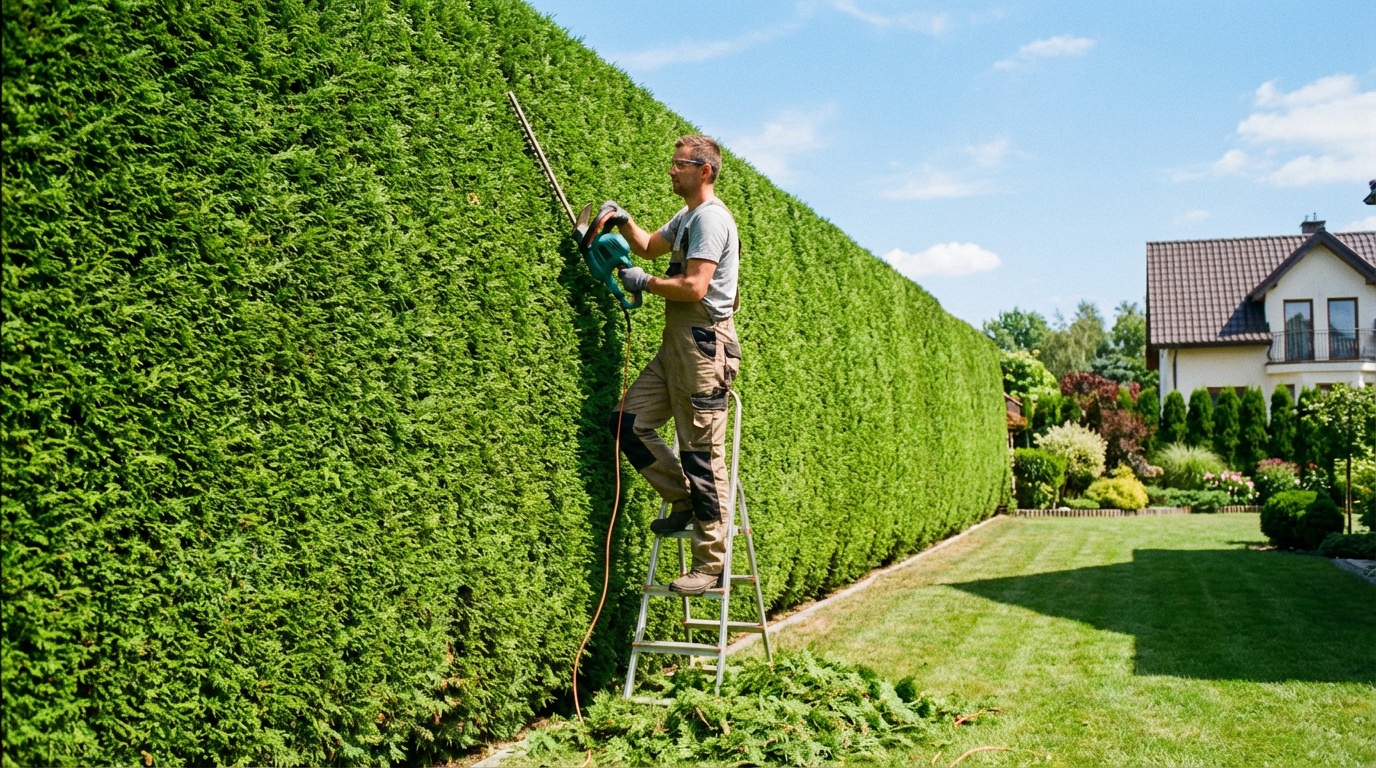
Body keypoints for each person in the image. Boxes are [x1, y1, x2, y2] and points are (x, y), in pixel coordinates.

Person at [599, 135, 741, 595]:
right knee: (627, 422)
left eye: (679, 164)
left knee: (702, 455)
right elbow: (645, 248)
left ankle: (710, 563)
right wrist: (623, 222)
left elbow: (695, 287)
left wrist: (647, 283)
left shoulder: (711, 221)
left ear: (704, 171)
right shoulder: (685, 218)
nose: (671, 171)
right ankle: (681, 498)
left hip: (703, 346)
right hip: (675, 346)